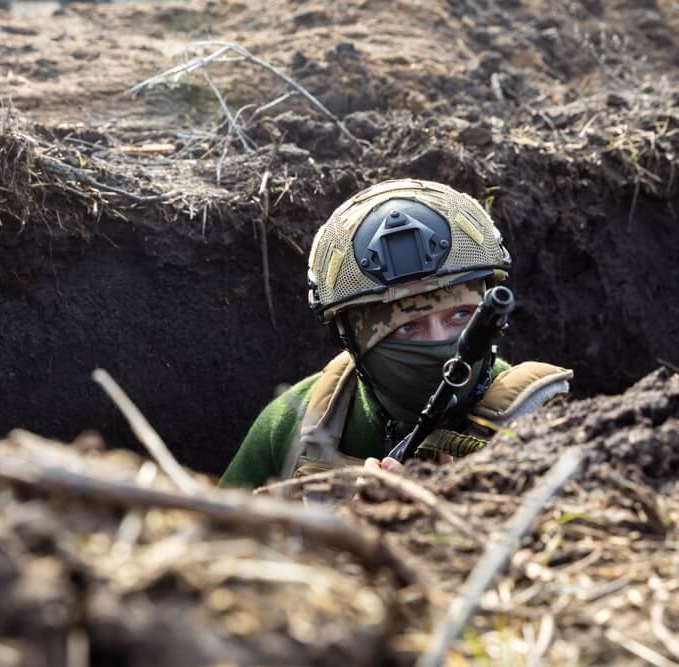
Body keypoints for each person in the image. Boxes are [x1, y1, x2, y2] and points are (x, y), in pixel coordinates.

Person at [219, 179, 572, 488]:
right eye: (408, 327)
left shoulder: (534, 419)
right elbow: (207, 547)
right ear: (352, 338)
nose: (440, 344)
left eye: (460, 316)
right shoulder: (294, 424)